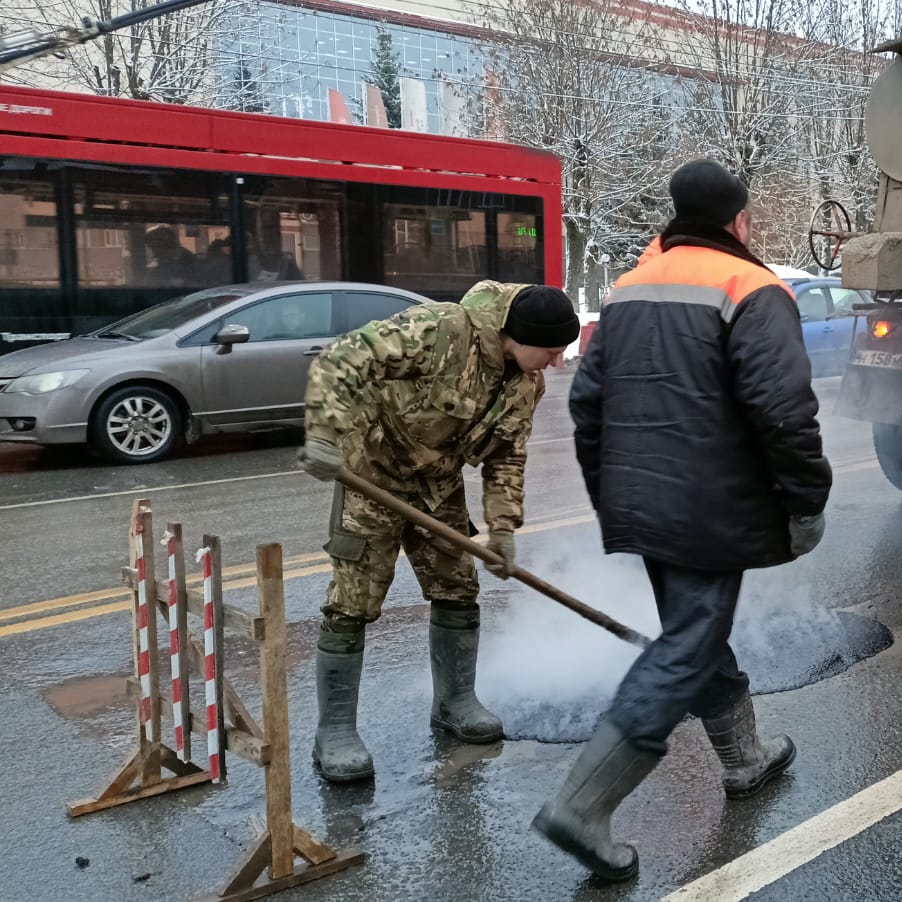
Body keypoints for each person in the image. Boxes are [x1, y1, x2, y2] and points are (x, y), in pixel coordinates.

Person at [534, 159, 832, 881]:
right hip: (708, 503)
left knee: (693, 633)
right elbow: (783, 412)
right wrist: (805, 497)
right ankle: (584, 806)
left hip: (643, 498)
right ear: (739, 221)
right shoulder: (752, 288)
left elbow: (586, 406)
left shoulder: (629, 289)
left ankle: (745, 759)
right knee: (689, 643)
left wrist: (613, 496)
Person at [297, 281, 579, 782]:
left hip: (437, 484)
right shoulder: (439, 331)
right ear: (521, 334)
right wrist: (323, 432)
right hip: (370, 475)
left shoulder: (523, 385)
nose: (557, 362)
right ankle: (335, 731)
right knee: (352, 601)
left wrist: (503, 529)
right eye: (553, 351)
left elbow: (506, 457)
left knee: (457, 586)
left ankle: (455, 702)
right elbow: (343, 357)